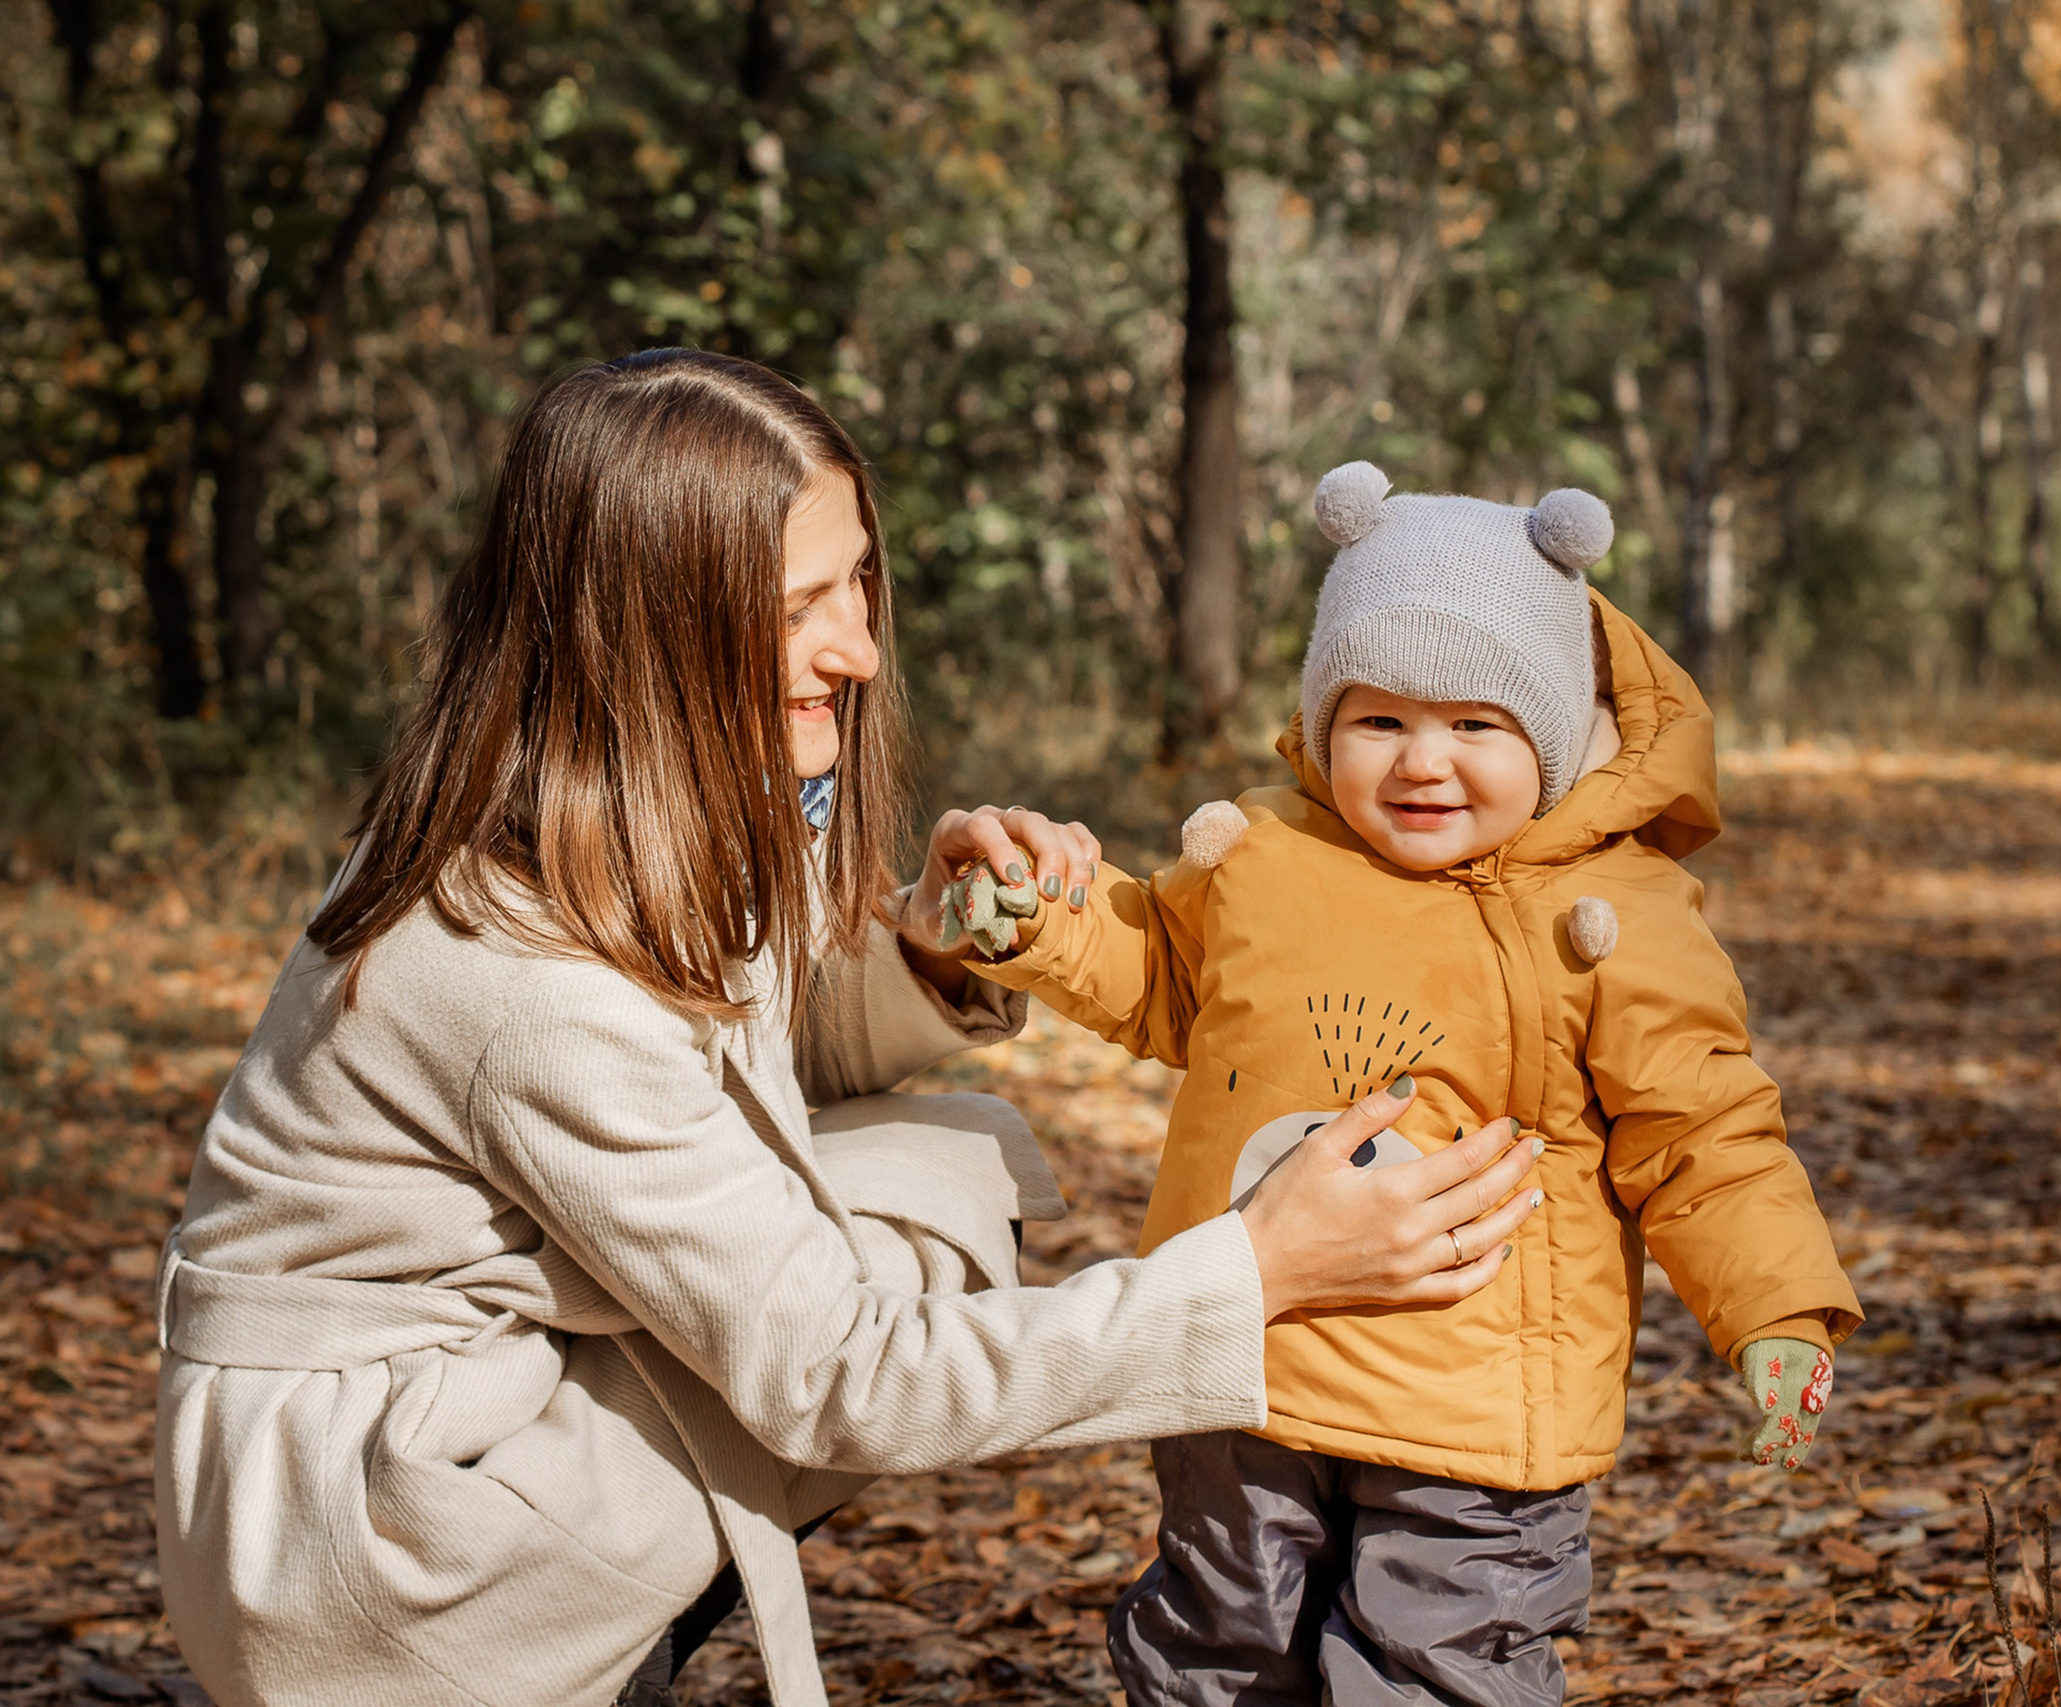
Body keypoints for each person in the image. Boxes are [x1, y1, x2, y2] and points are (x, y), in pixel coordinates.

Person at [151, 359, 1542, 1707]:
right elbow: (843, 1377)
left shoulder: (589, 812)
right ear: (653, 626)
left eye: (859, 578)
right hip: (368, 1561)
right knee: (904, 1259)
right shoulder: (517, 964)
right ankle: (547, 1660)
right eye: (802, 601)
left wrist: (928, 949)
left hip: (417, 1433)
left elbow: (724, 1072)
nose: (858, 646)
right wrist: (1255, 1265)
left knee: (948, 1159)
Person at [936, 461, 1864, 1707]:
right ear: (1326, 724)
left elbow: (1704, 1134)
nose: (1423, 761)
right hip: (1242, 1361)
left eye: (1475, 725)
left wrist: (1776, 1314)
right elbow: (1161, 973)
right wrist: (1035, 927)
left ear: (1545, 732)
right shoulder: (1267, 859)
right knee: (1216, 1648)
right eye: (1379, 721)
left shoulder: (1614, 914)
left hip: (1475, 1405)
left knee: (1432, 1672)